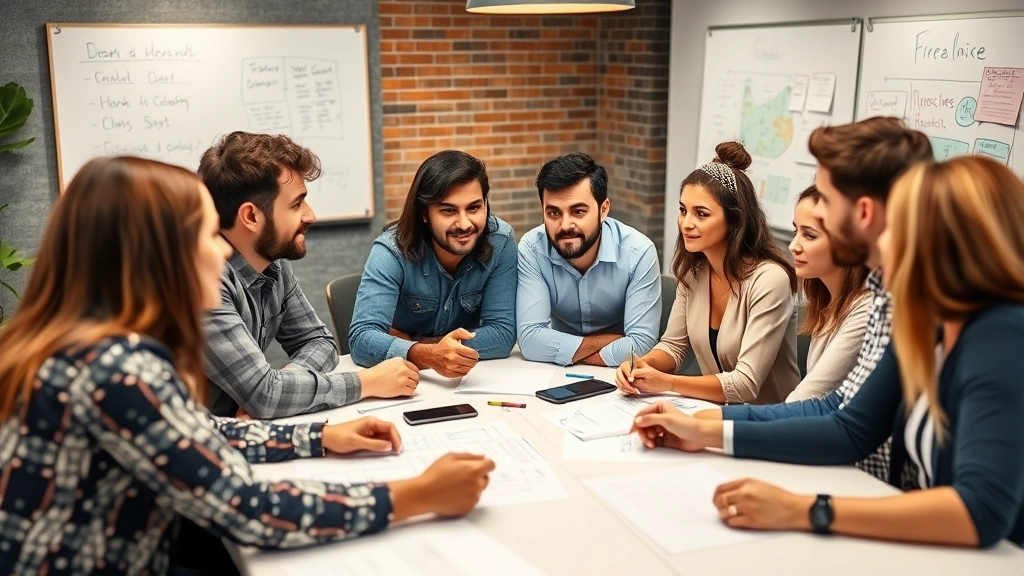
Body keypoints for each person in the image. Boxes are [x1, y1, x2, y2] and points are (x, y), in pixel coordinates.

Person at [0, 157, 496, 575]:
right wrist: (416, 494)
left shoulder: (87, 346)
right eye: (203, 232)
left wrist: (315, 436)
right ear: (152, 255)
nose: (220, 248)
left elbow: (196, 431)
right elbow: (247, 508)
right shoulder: (119, 368)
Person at [631, 156, 1024, 549]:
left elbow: (980, 510)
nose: (879, 239)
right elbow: (848, 422)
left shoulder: (1000, 333)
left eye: (898, 227)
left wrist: (803, 509)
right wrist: (704, 429)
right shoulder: (925, 321)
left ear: (951, 241)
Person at [688, 117, 933, 484]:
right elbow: (843, 413)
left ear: (863, 212)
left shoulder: (911, 303)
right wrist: (713, 425)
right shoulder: (886, 292)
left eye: (827, 204)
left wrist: (806, 510)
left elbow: (850, 431)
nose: (819, 214)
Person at [198, 132, 418, 419]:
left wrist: (282, 388)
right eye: (296, 204)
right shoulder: (205, 282)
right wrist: (367, 383)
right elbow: (265, 396)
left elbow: (319, 342)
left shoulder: (273, 262)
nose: (310, 215)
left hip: (245, 429)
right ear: (251, 217)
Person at [615, 142, 798, 404]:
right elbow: (673, 346)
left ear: (734, 220)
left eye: (701, 214)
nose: (686, 223)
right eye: (683, 210)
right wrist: (641, 366)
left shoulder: (770, 280)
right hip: (716, 416)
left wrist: (667, 382)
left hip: (771, 427)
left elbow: (745, 384)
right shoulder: (694, 273)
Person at [349, 150, 517, 377]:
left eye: (474, 208)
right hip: (404, 381)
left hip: (469, 381)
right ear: (424, 214)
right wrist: (429, 355)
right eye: (448, 210)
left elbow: (502, 334)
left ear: (486, 204)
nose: (464, 223)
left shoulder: (501, 241)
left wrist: (420, 344)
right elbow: (362, 339)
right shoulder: (391, 251)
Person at [516, 152, 661, 367]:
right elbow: (529, 341)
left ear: (603, 210)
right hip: (550, 373)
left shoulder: (638, 252)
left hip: (620, 378)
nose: (565, 225)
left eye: (578, 211)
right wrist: (612, 342)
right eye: (554, 213)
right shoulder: (532, 248)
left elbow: (642, 345)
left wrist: (564, 350)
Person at [786, 185, 870, 401]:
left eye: (810, 235)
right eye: (796, 231)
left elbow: (806, 399)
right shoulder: (827, 302)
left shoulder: (866, 308)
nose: (793, 246)